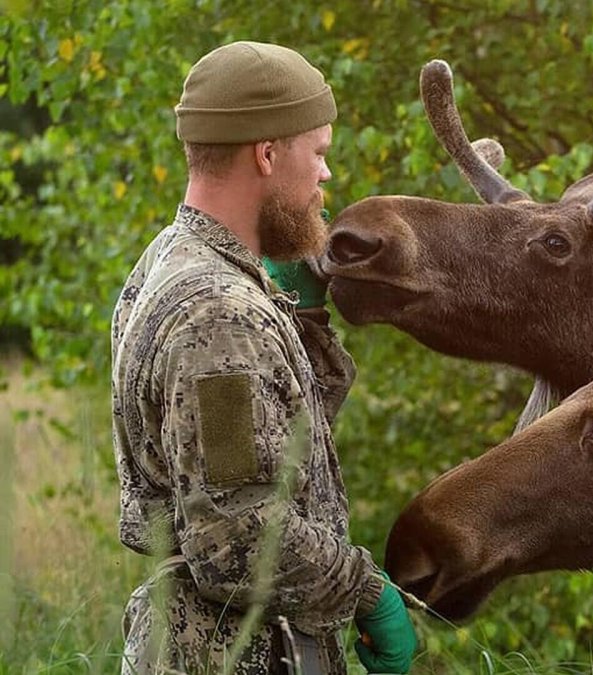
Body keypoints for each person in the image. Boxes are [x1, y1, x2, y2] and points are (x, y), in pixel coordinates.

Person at [111, 41, 416, 674]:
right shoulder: (220, 314)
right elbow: (238, 534)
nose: (326, 176)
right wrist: (366, 591)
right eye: (320, 153)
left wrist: (299, 324)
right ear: (268, 153)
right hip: (235, 655)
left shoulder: (167, 263)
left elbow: (267, 454)